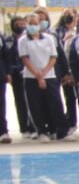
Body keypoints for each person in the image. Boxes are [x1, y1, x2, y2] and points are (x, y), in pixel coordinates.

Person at [17, 13, 67, 142]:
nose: (33, 26)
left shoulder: (49, 38)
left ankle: (60, 131)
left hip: (49, 76)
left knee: (55, 103)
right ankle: (41, 131)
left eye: (35, 23)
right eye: (30, 24)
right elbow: (25, 59)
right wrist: (38, 75)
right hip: (31, 77)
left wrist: (44, 73)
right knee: (35, 105)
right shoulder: (23, 40)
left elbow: (53, 57)